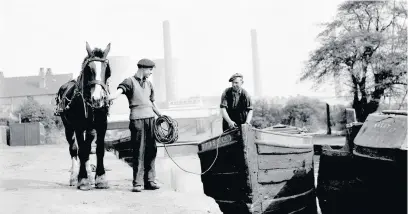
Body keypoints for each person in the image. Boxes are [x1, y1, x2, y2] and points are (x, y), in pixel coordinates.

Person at [108, 58, 162, 192]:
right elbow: (119, 92)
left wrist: (161, 115)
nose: (150, 73)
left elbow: (151, 102)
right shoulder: (129, 82)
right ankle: (137, 183)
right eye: (150, 70)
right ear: (143, 68)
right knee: (139, 151)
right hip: (137, 120)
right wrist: (110, 97)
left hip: (151, 119)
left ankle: (150, 181)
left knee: (152, 151)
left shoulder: (149, 84)